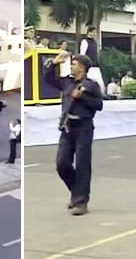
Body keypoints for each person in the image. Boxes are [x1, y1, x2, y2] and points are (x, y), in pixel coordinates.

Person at [44, 53, 103, 215]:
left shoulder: (91, 85)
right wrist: (54, 63)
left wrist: (82, 96)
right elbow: (49, 79)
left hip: (83, 127)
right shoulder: (67, 83)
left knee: (83, 165)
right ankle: (77, 193)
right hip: (67, 127)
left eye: (74, 64)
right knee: (62, 164)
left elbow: (99, 105)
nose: (71, 66)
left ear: (82, 68)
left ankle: (80, 201)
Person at [78, 27, 104, 95]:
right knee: (88, 81)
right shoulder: (85, 41)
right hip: (88, 66)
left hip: (95, 65)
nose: (95, 34)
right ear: (89, 32)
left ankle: (100, 94)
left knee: (99, 82)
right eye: (94, 32)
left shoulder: (94, 42)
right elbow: (82, 54)